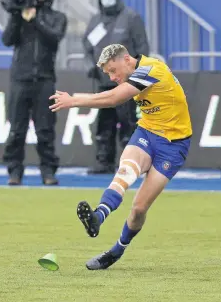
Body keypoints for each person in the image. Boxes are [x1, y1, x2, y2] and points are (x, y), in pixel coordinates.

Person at [49, 44, 192, 270]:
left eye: (113, 71)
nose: (113, 77)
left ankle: (117, 250)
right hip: (147, 132)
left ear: (127, 59)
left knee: (138, 209)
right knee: (125, 173)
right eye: (108, 73)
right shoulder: (135, 74)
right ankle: (97, 217)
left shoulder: (150, 70)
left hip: (173, 145)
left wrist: (73, 100)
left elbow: (115, 98)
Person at [2, 0, 67, 186]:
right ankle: (14, 172)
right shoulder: (20, 16)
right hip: (20, 79)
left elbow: (54, 37)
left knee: (45, 129)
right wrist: (18, 16)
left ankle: (48, 171)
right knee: (16, 129)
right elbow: (7, 39)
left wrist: (36, 19)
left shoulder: (57, 17)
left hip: (44, 80)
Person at [83, 0, 149, 174]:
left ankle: (132, 163)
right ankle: (104, 161)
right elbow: (87, 47)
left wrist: (138, 77)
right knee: (104, 124)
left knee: (129, 123)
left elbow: (143, 48)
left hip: (127, 83)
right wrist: (90, 66)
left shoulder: (131, 18)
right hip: (103, 82)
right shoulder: (96, 20)